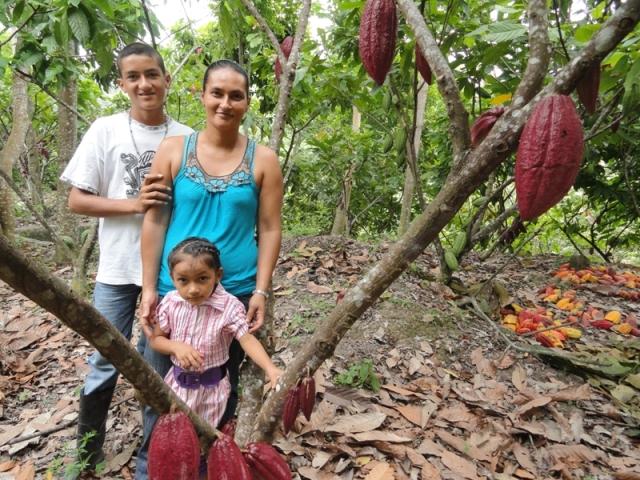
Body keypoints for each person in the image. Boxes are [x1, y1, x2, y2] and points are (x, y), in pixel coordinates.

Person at [138, 59, 283, 477]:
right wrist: (149, 287)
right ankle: (154, 470)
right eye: (216, 93)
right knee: (161, 392)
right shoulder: (172, 150)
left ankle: (207, 469)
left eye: (235, 95)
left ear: (247, 102)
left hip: (233, 292)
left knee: (224, 391)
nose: (225, 103)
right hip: (174, 293)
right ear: (201, 96)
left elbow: (270, 228)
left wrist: (260, 291)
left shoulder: (264, 160)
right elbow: (155, 219)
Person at [59, 42, 193, 474]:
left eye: (151, 74)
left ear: (166, 79)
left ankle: (150, 463)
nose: (144, 84)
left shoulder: (188, 137)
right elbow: (77, 200)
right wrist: (134, 204)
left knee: (157, 370)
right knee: (104, 362)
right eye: (133, 76)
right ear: (121, 84)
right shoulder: (105, 130)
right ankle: (87, 454)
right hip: (117, 269)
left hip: (173, 273)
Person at [148, 237, 281, 432]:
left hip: (213, 391)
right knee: (176, 437)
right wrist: (176, 346)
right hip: (176, 387)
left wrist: (271, 369)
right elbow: (156, 340)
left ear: (217, 275)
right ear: (172, 277)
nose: (193, 289)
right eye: (183, 280)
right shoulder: (170, 302)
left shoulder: (229, 307)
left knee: (207, 439)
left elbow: (246, 339)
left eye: (202, 278)